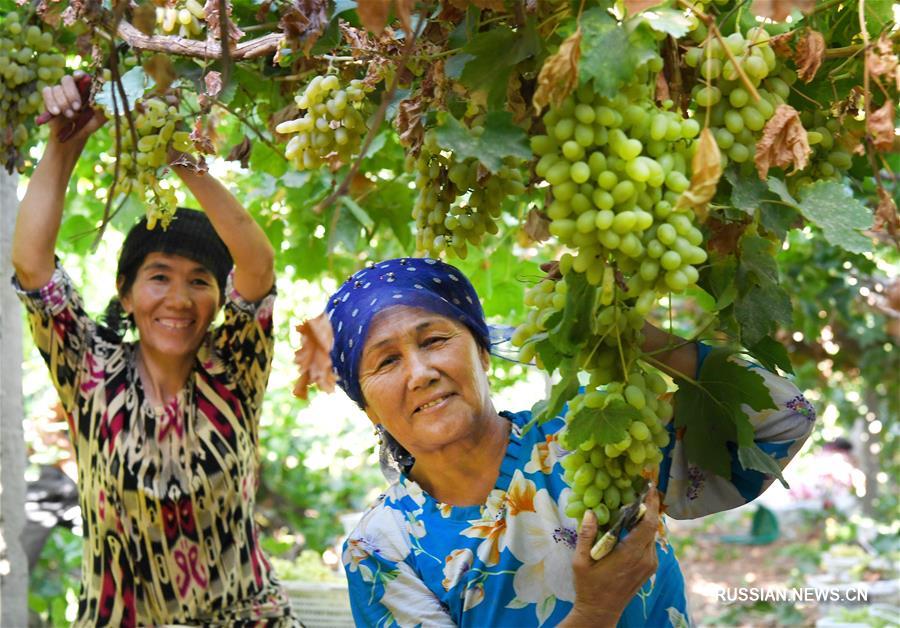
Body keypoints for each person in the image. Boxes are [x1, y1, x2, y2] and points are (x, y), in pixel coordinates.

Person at [322, 257, 816, 627]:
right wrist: (594, 611)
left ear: (484, 354)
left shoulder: (590, 429)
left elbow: (782, 420)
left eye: (435, 341)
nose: (421, 373)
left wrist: (634, 334)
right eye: (386, 361)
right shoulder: (382, 549)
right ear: (366, 404)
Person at [12, 74, 297, 626]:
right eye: (159, 277)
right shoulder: (89, 369)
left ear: (219, 298)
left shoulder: (235, 369)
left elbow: (258, 267)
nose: (178, 299)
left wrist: (182, 161)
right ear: (126, 292)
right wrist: (62, 146)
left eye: (199, 280)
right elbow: (32, 266)